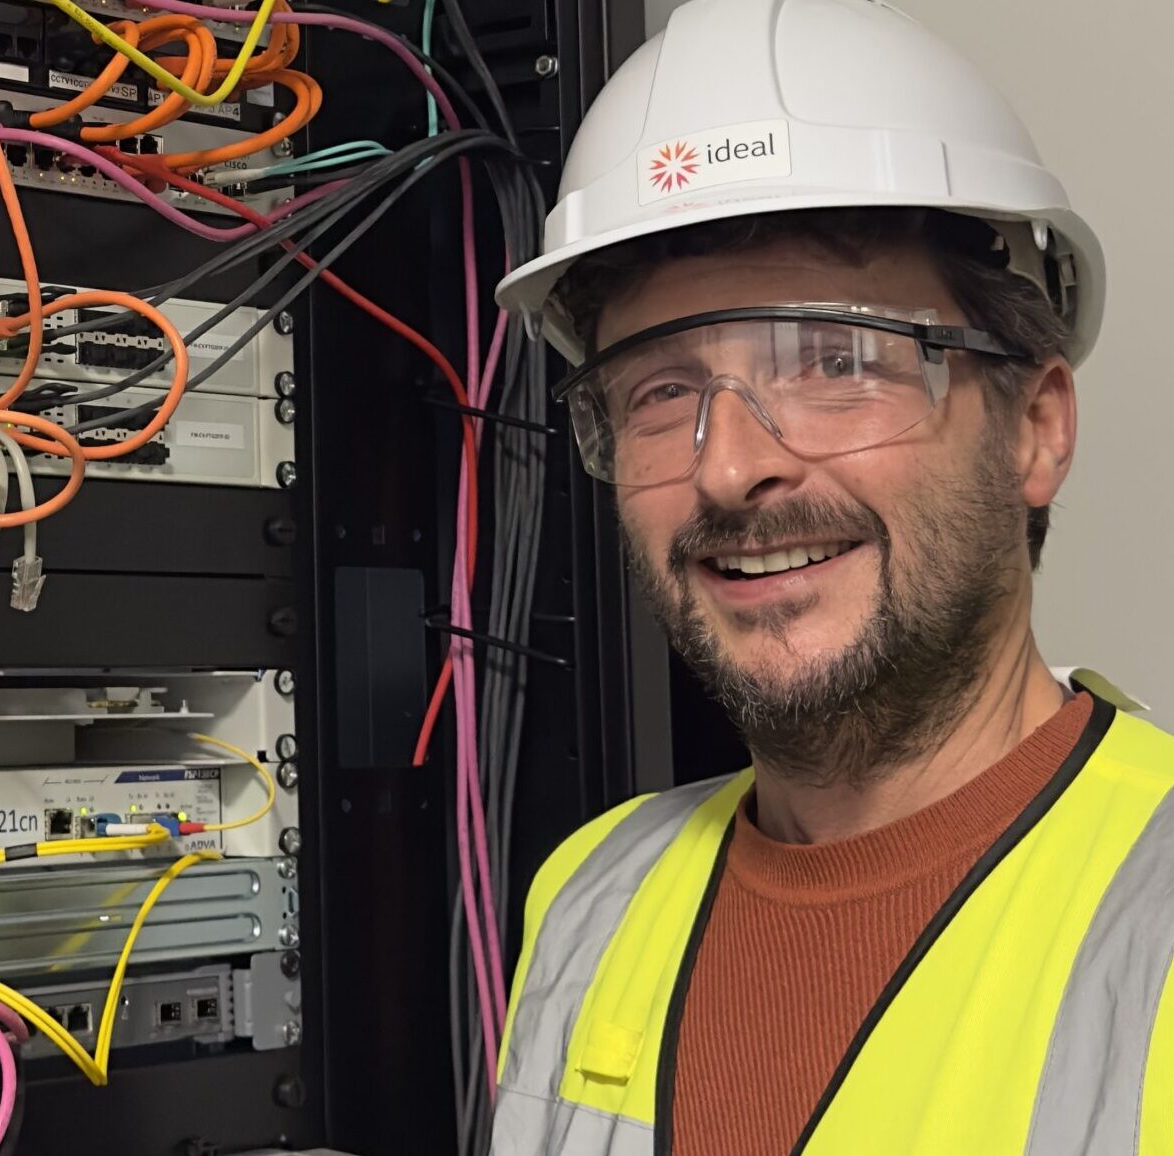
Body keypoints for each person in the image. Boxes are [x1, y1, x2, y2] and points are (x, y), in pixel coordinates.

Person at [487, 0, 1172, 1153]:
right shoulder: (591, 898)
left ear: (1035, 428)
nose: (734, 466)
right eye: (660, 392)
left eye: (837, 360)